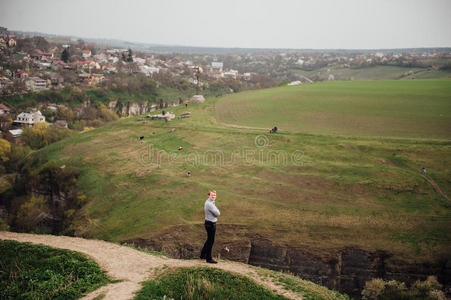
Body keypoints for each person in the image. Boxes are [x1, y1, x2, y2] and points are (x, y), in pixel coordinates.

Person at [200, 190, 220, 263]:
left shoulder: (209, 202)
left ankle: (202, 255)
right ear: (208, 195)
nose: (213, 196)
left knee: (209, 240)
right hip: (211, 224)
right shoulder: (210, 204)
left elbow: (216, 213)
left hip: (209, 223)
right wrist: (216, 212)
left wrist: (215, 212)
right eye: (212, 195)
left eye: (214, 195)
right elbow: (218, 213)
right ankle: (208, 258)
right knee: (211, 241)